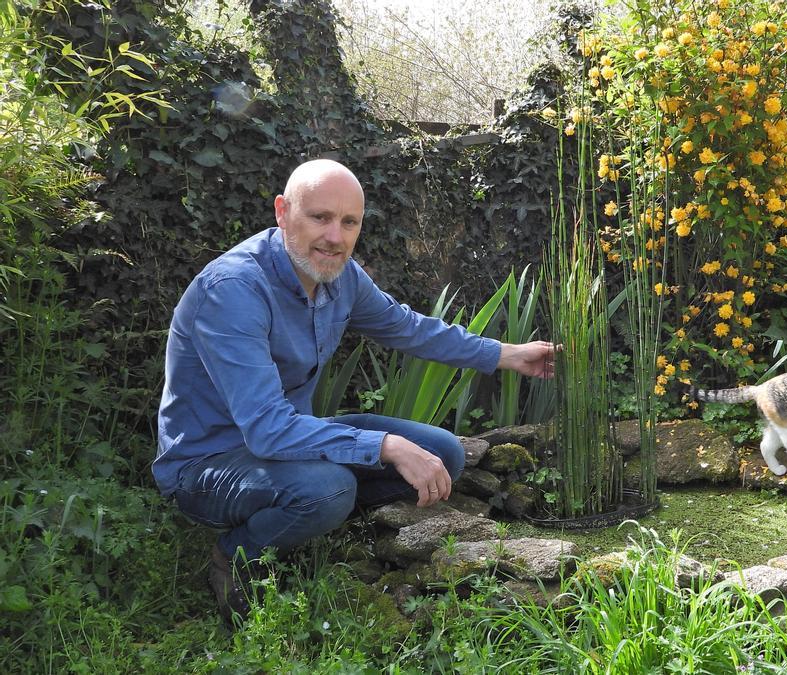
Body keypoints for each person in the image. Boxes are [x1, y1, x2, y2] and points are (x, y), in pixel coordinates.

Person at [153, 159, 555, 624]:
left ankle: (315, 526)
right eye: (320, 218)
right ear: (283, 212)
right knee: (329, 490)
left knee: (444, 452)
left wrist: (505, 354)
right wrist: (386, 445)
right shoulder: (234, 291)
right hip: (210, 463)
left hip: (292, 441)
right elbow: (266, 430)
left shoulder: (340, 276)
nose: (335, 237)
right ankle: (236, 554)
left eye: (349, 223)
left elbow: (407, 328)